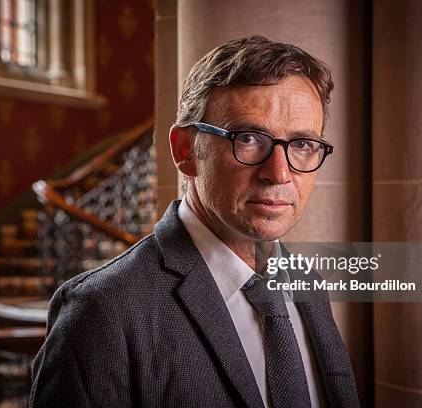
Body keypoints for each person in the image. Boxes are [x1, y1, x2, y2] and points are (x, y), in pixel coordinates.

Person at [30, 35, 359, 408]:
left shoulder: (307, 282)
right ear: (186, 151)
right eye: (248, 138)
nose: (279, 172)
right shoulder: (102, 311)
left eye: (301, 144)